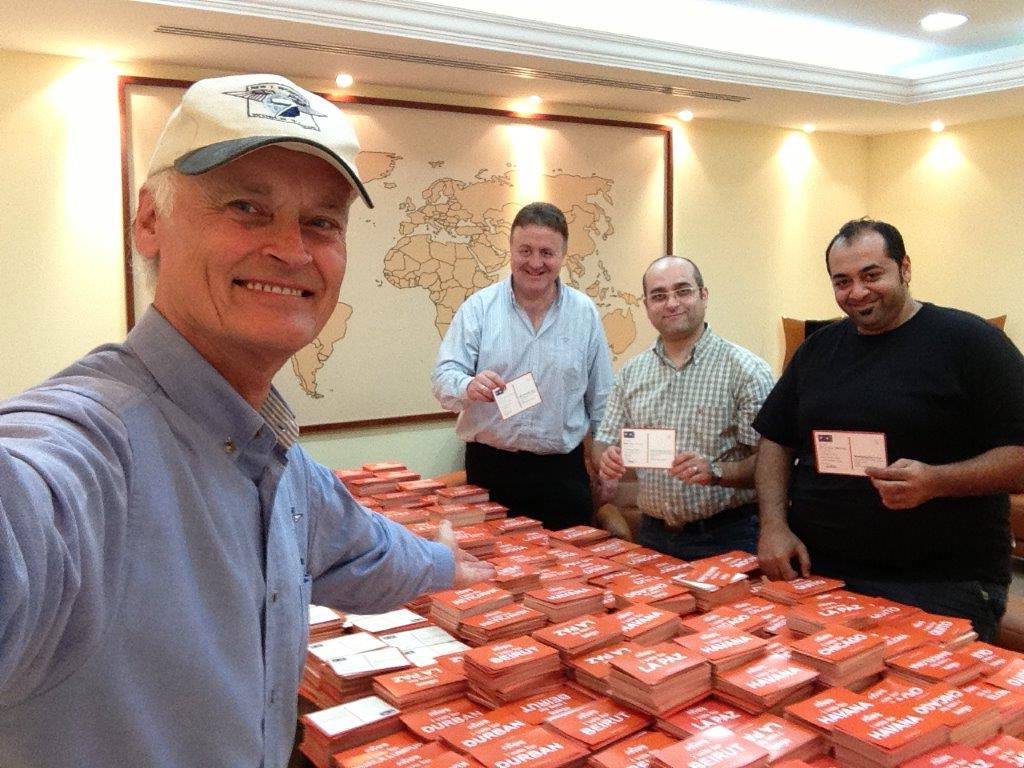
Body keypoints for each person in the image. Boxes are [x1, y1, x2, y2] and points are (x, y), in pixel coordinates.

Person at [0, 73, 493, 768]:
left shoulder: (272, 459)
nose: (292, 250)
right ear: (150, 221)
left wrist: (450, 565)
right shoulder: (89, 449)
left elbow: (363, 550)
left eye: (321, 221)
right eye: (246, 207)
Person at [754, 218, 1024, 641]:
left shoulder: (972, 342)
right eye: (841, 281)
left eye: (872, 274)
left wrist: (936, 481)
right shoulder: (818, 350)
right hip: (820, 573)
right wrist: (773, 523)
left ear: (905, 268)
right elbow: (775, 438)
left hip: (940, 584)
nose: (857, 292)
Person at [431, 202, 613, 530]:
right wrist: (468, 386)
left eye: (547, 252)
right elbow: (443, 379)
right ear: (511, 249)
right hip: (491, 472)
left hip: (562, 476)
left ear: (563, 255)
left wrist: (604, 461)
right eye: (525, 250)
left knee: (568, 575)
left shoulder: (584, 313)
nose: (535, 263)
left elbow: (601, 400)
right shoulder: (479, 309)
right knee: (491, 574)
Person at [593, 256, 773, 559]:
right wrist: (606, 459)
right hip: (652, 535)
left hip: (726, 536)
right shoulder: (631, 373)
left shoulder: (746, 370)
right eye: (659, 296)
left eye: (683, 291)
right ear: (646, 305)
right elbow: (603, 441)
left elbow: (770, 464)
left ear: (704, 295)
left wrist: (715, 471)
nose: (671, 303)